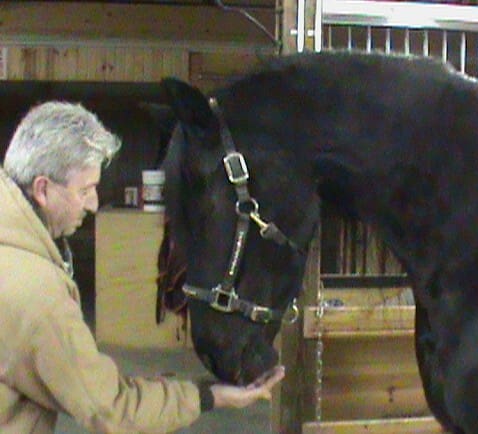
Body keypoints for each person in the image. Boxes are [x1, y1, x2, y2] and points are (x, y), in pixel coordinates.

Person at [0, 101, 285, 434]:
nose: (93, 204)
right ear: (43, 189)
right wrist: (209, 396)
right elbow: (110, 408)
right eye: (85, 190)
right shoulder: (37, 295)